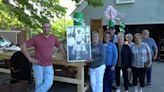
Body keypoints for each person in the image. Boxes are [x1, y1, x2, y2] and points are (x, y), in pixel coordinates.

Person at [21, 22, 66, 92]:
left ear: (50, 28)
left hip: (49, 64)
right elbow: (23, 46)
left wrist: (65, 56)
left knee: (49, 83)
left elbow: (60, 46)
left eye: (48, 27)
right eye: (44, 27)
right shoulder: (36, 38)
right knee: (39, 84)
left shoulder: (53, 37)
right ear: (42, 28)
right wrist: (30, 58)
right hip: (38, 65)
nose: (46, 29)